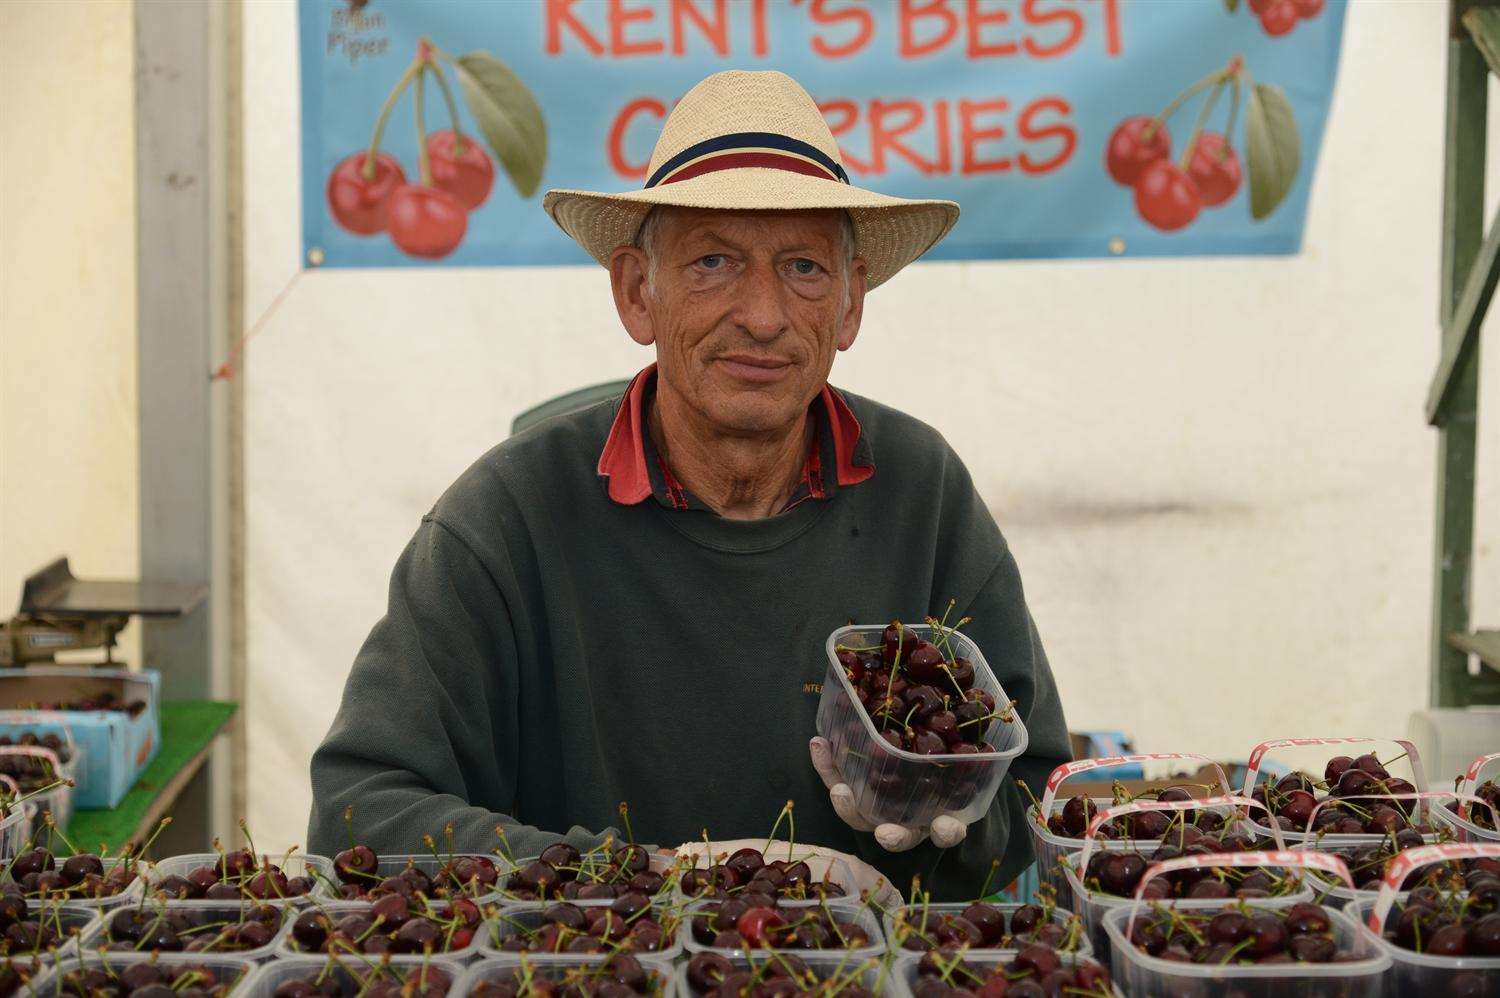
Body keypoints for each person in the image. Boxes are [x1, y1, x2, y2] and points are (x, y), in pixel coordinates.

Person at [308, 69, 1069, 900]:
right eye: (713, 261)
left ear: (850, 305)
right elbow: (357, 813)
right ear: (639, 292)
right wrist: (640, 881)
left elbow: (1033, 790)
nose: (764, 315)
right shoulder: (508, 518)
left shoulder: (921, 494)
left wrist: (940, 815)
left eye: (805, 269)